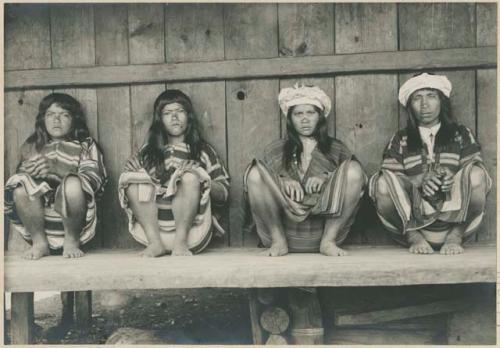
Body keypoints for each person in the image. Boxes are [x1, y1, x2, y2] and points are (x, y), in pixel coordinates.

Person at [369, 73, 491, 255]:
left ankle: (455, 237)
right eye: (417, 98)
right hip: (411, 224)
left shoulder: (460, 133)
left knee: (477, 174)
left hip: (457, 222)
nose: (424, 104)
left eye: (431, 96)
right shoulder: (400, 138)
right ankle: (414, 237)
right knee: (381, 183)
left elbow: (473, 171)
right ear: (410, 106)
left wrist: (451, 178)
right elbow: (391, 179)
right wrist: (418, 180)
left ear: (442, 102)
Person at [244, 84, 366, 257]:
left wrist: (328, 177)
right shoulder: (275, 149)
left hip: (323, 231)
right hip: (283, 232)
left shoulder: (336, 148)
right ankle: (279, 242)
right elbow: (263, 185)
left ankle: (328, 242)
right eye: (298, 114)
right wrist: (282, 180)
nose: (304, 119)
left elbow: (360, 181)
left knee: (354, 169)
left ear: (320, 117)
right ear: (290, 119)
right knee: (255, 173)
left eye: (311, 113)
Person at [119, 90, 230, 257]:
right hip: (153, 233)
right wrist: (133, 171)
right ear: (159, 120)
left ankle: (180, 242)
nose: (174, 117)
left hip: (193, 233)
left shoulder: (202, 150)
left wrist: (201, 179)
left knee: (189, 176)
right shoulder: (148, 152)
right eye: (167, 113)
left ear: (189, 116)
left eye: (180, 111)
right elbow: (131, 189)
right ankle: (155, 244)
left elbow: (224, 193)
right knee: (131, 180)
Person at [5, 93, 107, 259]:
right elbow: (21, 188)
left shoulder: (85, 145)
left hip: (75, 222)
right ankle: (40, 243)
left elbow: (95, 181)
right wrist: (32, 174)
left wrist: (57, 171)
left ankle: (71, 241)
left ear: (75, 120)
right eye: (50, 115)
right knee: (20, 186)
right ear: (43, 120)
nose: (56, 120)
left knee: (73, 184)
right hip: (39, 222)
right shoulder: (33, 146)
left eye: (64, 115)